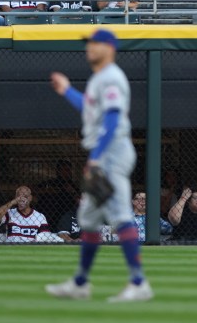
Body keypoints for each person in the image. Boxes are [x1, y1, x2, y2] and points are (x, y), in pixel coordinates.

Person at [46, 29, 153, 301]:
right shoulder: (98, 79)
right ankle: (80, 283)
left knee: (120, 217)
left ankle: (139, 283)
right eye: (89, 44)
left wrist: (96, 157)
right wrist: (67, 90)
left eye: (95, 43)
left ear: (110, 48)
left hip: (112, 153)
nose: (89, 48)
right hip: (104, 153)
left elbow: (113, 119)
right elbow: (90, 108)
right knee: (89, 221)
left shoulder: (112, 77)